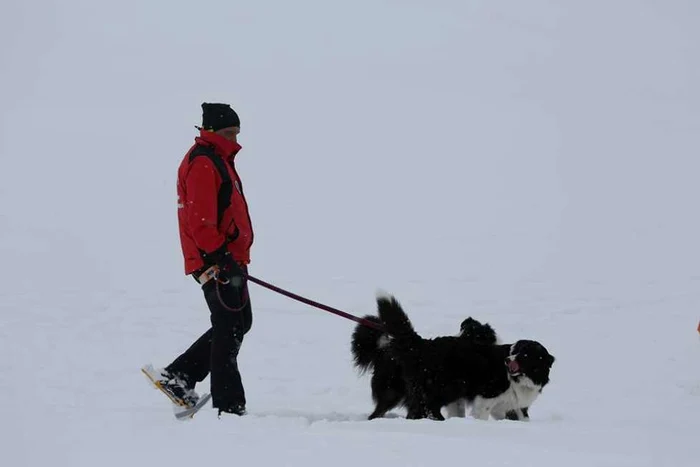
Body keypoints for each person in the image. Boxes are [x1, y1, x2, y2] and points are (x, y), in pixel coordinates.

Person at [147, 102, 254, 417]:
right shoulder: (204, 163)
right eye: (228, 132)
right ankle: (229, 405)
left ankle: (180, 375)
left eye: (236, 132)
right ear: (209, 131)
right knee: (228, 326)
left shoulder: (219, 160)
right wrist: (219, 256)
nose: (234, 139)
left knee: (238, 322)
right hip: (216, 261)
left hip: (229, 259)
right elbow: (200, 220)